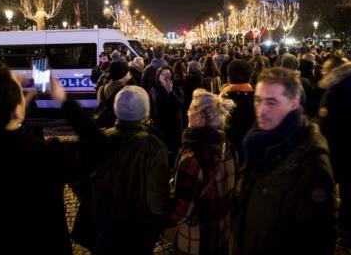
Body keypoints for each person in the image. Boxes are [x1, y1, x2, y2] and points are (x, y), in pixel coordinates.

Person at [0, 57, 105, 255]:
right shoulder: (41, 156)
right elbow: (98, 147)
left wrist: (15, 99)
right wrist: (62, 99)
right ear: (17, 111)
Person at [233, 67, 336, 255]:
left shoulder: (311, 165)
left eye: (272, 102)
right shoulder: (258, 142)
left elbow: (317, 241)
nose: (261, 110)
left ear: (294, 103)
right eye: (258, 100)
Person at [90, 86, 170, 254]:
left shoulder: (100, 140)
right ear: (146, 113)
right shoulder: (154, 146)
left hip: (104, 226)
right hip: (138, 230)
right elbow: (157, 200)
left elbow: (81, 178)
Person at [169, 88, 239, 255]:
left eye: (190, 109)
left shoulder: (192, 159)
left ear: (199, 118)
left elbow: (180, 211)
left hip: (195, 238)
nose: (187, 112)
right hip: (221, 232)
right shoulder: (227, 147)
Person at [317, 56, 351, 249]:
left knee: (325, 192)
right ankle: (348, 228)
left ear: (334, 71)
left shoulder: (335, 93)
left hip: (335, 153)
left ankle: (332, 229)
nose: (322, 72)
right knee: (349, 192)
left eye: (325, 69)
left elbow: (327, 127)